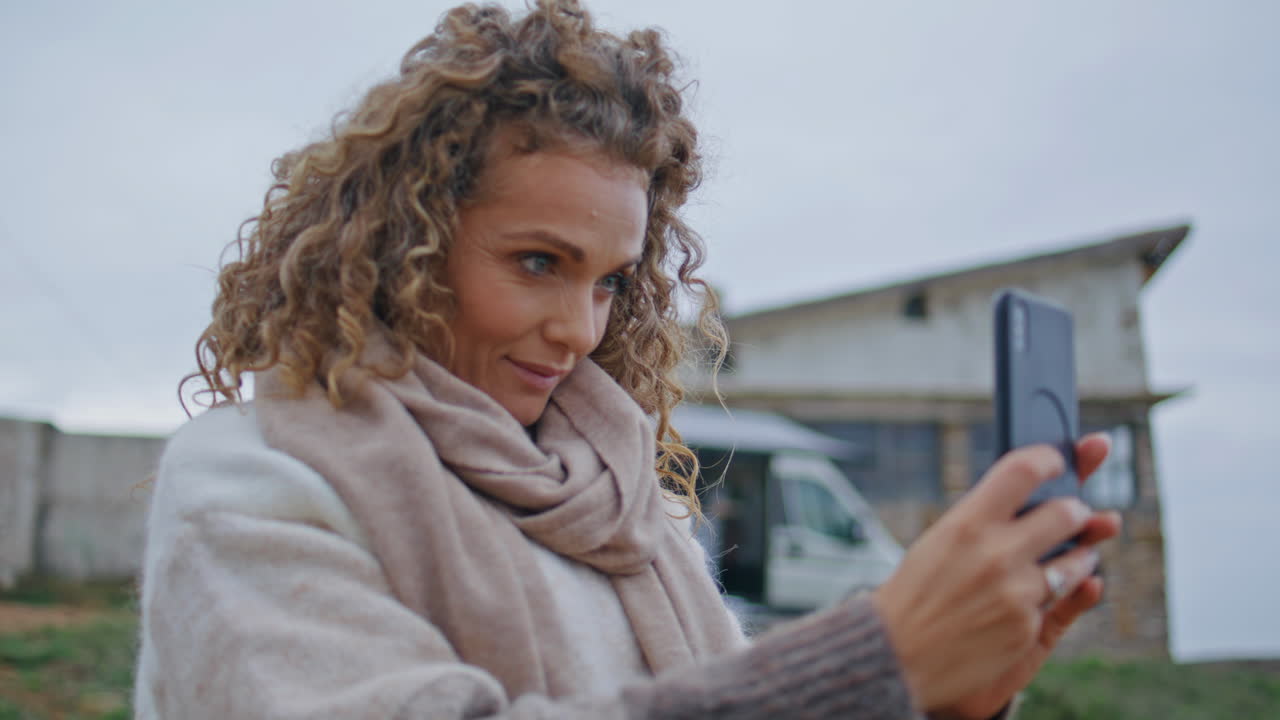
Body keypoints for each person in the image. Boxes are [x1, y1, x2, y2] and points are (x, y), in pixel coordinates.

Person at [132, 1, 1121, 718]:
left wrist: (945, 697)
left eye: (607, 280)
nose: (581, 329)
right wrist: (870, 661)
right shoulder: (254, 483)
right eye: (536, 262)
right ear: (404, 244)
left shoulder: (630, 509)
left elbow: (732, 693)